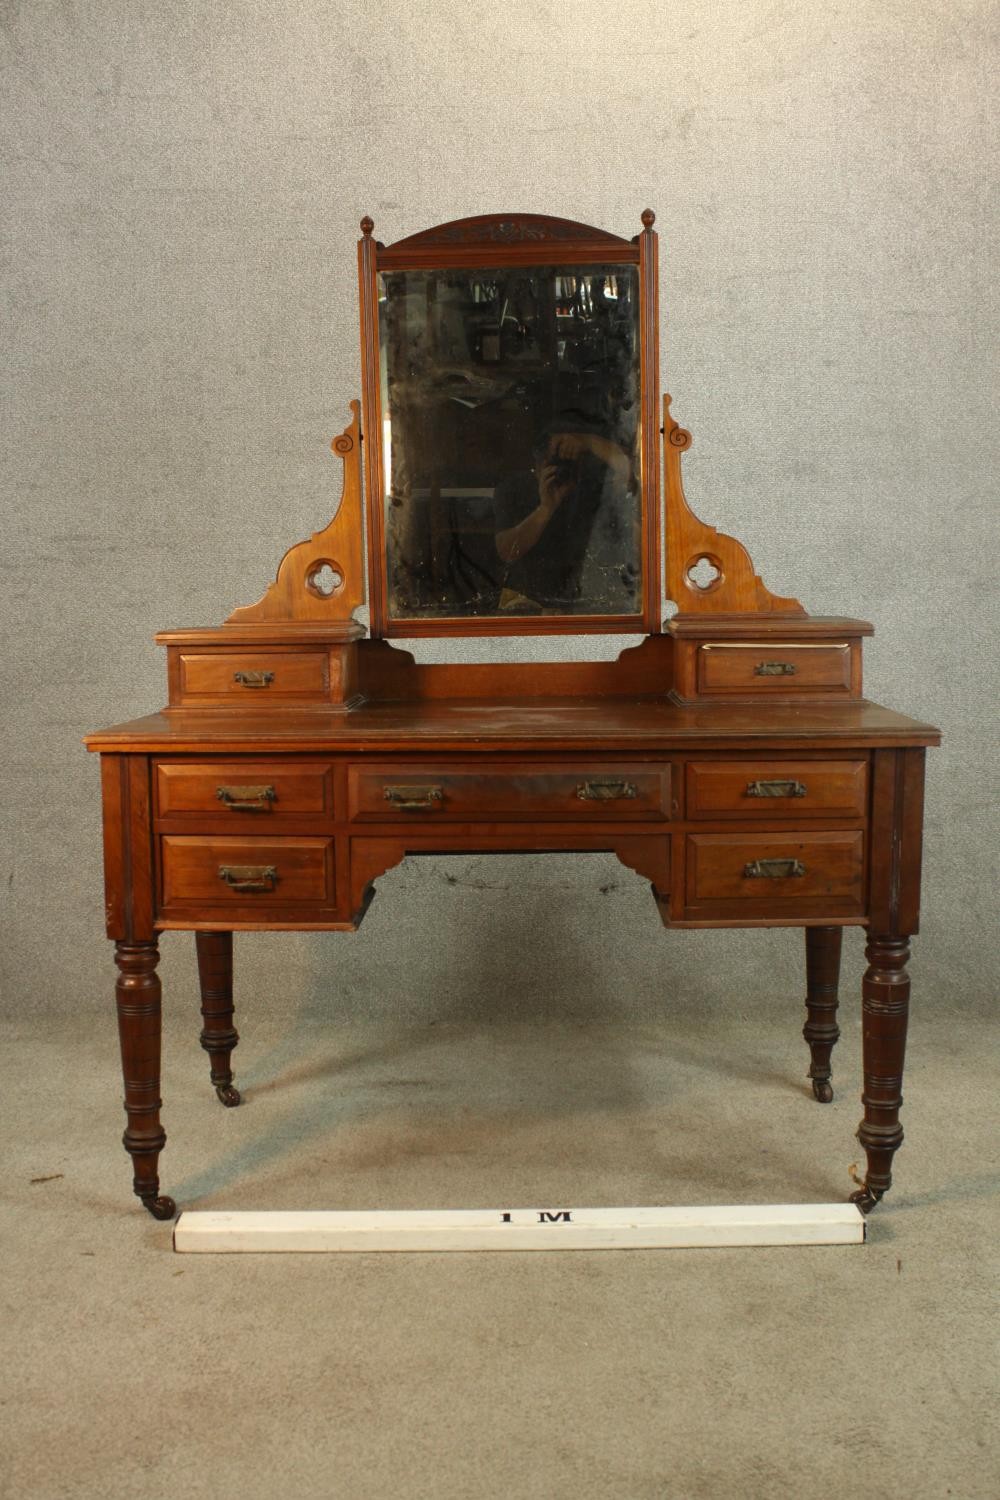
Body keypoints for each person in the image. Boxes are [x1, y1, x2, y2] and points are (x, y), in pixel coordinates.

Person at [493, 420, 637, 613]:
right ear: (536, 463)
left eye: (567, 461)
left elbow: (630, 473)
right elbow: (506, 551)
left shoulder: (592, 487)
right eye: (553, 461)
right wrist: (546, 508)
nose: (561, 468)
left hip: (582, 599)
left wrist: (588, 442)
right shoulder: (514, 488)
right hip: (525, 600)